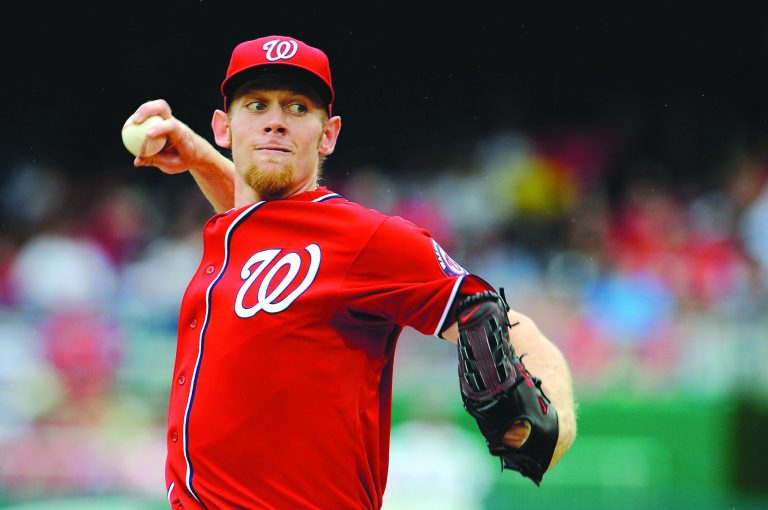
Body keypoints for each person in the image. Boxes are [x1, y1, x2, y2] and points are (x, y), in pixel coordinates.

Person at [125, 35, 577, 509]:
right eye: (256, 105)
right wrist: (198, 157)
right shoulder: (244, 232)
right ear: (224, 127)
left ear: (329, 135)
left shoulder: (363, 240)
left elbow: (486, 314)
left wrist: (558, 420)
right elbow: (266, 224)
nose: (275, 122)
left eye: (297, 108)